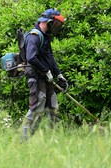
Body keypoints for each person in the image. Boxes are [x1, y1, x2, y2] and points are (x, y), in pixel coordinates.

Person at [22, 8, 68, 140]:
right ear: (48, 22)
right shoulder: (34, 36)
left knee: (53, 108)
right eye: (56, 24)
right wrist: (46, 71)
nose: (56, 27)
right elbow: (31, 58)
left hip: (47, 80)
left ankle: (56, 140)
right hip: (37, 79)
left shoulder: (46, 36)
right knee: (36, 110)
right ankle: (23, 142)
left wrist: (59, 75)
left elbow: (50, 57)